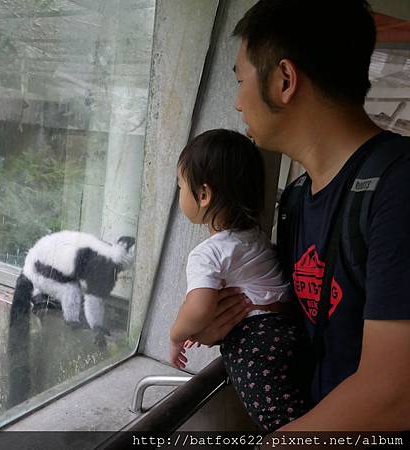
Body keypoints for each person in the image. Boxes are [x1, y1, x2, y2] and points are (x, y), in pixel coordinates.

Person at [194, 0, 410, 431]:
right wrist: (228, 320)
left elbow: (394, 393)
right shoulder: (296, 198)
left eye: (240, 81)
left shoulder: (398, 188)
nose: (236, 103)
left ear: (284, 80)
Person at [169, 129, 311, 431]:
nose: (179, 193)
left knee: (281, 425)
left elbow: (199, 309)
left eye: (180, 185)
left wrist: (176, 335)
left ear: (203, 194)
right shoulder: (257, 238)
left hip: (256, 344)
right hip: (290, 330)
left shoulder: (207, 253)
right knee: (298, 410)